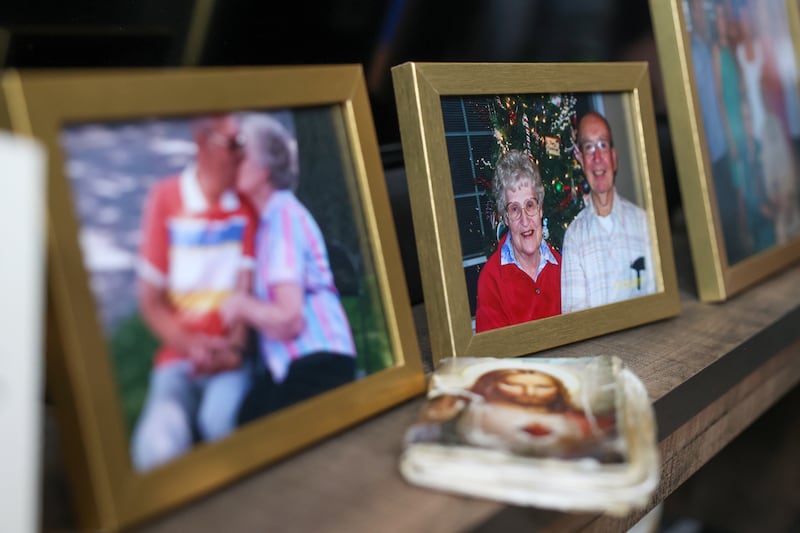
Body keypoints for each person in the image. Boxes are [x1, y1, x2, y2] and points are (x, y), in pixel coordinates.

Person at [131, 115, 258, 472]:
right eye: (233, 144)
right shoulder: (166, 198)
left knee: (222, 423)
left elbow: (245, 294)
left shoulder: (245, 207)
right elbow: (150, 301)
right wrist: (193, 345)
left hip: (229, 359)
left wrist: (233, 352)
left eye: (244, 144)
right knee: (160, 445)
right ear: (202, 143)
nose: (242, 154)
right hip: (179, 357)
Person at [221, 113, 356, 424]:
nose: (233, 161)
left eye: (242, 154)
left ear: (264, 168)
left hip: (319, 364)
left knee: (250, 430)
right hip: (294, 365)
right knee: (243, 421)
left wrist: (240, 305)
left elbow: (289, 319)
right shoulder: (268, 221)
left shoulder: (282, 218)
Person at [410, 367, 620, 461]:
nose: (529, 392)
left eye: (542, 387)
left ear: (558, 391)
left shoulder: (576, 419)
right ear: (491, 385)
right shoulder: (467, 408)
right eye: (514, 385)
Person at [561, 111, 655, 313]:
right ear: (581, 160)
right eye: (589, 147)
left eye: (602, 145)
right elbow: (577, 320)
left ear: (614, 157)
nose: (597, 158)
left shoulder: (645, 224)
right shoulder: (574, 238)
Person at [474, 150, 561, 332]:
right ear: (505, 217)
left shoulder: (562, 267)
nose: (524, 220)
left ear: (540, 209)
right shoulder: (491, 281)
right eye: (514, 209)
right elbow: (494, 349)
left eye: (530, 205)